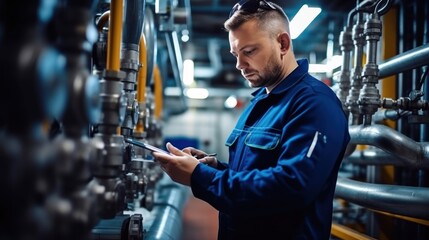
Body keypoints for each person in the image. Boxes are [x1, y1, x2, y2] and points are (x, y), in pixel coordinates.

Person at [152, 0, 350, 239]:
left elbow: (293, 186)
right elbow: (255, 172)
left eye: (249, 52)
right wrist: (214, 168)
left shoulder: (315, 103)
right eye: (236, 54)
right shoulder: (258, 102)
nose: (239, 65)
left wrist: (200, 177)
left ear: (283, 43)